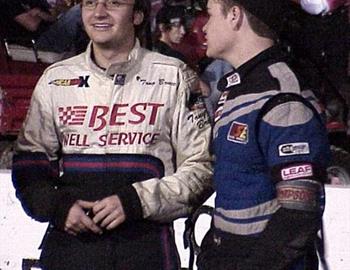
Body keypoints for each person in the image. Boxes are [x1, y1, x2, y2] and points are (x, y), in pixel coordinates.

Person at [11, 0, 213, 269]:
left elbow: (202, 168)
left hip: (146, 250)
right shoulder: (55, 79)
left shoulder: (174, 76)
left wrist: (135, 201)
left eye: (114, 3)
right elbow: (28, 166)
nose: (99, 12)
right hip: (68, 251)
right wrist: (58, 207)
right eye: (90, 3)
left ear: (138, 15)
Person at [197, 0, 331, 269]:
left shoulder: (281, 95)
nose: (203, 27)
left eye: (209, 15)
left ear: (234, 15)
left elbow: (299, 213)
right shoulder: (239, 87)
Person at [0, 0, 88, 54]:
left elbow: (52, 17)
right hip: (35, 41)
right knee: (80, 10)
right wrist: (41, 15)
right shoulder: (8, 2)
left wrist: (39, 13)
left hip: (51, 32)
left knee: (82, 19)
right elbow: (32, 25)